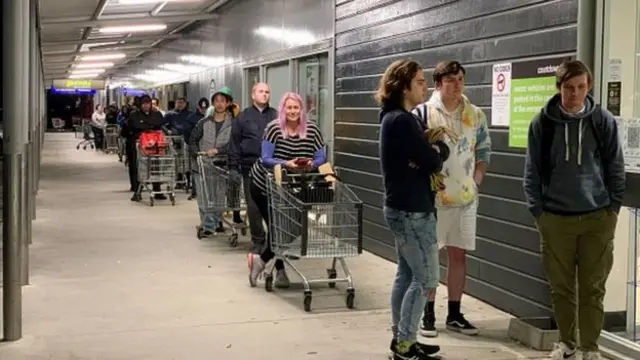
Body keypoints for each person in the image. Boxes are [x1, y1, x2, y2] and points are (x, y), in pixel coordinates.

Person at [523, 60, 625, 360]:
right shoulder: (542, 123)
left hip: (597, 218)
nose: (575, 94)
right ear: (559, 88)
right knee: (561, 287)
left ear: (588, 86)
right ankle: (566, 343)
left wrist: (613, 211)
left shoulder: (602, 120)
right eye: (569, 88)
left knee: (593, 288)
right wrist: (538, 213)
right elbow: (532, 172)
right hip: (555, 218)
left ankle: (589, 348)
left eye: (581, 87)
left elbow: (615, 167)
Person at [412, 61, 491, 337]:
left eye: (460, 79)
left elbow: (484, 150)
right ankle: (427, 312)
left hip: (466, 199)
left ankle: (455, 313)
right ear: (438, 84)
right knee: (429, 257)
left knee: (458, 256)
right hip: (432, 200)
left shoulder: (476, 115)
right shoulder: (422, 114)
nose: (457, 85)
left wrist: (476, 182)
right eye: (450, 80)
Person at [378, 60, 447, 360]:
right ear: (404, 87)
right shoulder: (402, 121)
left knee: (406, 276)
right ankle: (405, 343)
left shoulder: (395, 118)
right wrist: (439, 149)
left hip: (402, 207)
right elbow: (432, 160)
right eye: (419, 81)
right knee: (426, 279)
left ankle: (402, 337)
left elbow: (422, 157)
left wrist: (427, 152)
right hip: (412, 211)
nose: (425, 87)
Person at [246, 92, 326, 289]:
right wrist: (286, 163)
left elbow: (321, 157)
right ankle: (279, 271)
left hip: (292, 185)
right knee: (277, 227)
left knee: (290, 228)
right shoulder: (274, 129)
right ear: (283, 110)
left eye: (296, 108)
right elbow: (265, 158)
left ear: (301, 109)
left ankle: (262, 261)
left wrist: (310, 165)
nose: (292, 111)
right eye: (289, 108)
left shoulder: (312, 130)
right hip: (264, 184)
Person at [229, 83, 278, 256]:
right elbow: (234, 143)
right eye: (261, 91)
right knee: (254, 206)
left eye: (267, 92)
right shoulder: (242, 117)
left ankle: (276, 239)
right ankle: (258, 240)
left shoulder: (276, 116)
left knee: (275, 206)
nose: (264, 95)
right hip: (250, 167)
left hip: (273, 168)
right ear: (253, 94)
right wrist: (234, 167)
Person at [189, 87, 235, 236]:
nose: (220, 104)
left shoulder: (234, 124)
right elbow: (193, 140)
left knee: (218, 197)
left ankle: (215, 222)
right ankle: (208, 226)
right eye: (216, 101)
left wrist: (218, 151)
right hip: (202, 165)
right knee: (204, 198)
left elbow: (234, 144)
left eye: (223, 101)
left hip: (221, 166)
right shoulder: (204, 122)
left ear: (228, 103)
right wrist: (197, 154)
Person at [124, 95, 167, 201]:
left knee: (155, 167)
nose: (146, 106)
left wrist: (145, 126)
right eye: (144, 104)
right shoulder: (134, 115)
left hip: (154, 145)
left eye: (148, 103)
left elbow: (159, 123)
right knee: (138, 167)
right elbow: (135, 125)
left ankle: (157, 190)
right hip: (139, 145)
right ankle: (137, 190)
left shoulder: (156, 114)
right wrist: (149, 127)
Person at [163, 97, 195, 189]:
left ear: (185, 104)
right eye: (178, 102)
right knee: (177, 161)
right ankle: (179, 180)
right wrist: (168, 132)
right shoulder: (170, 114)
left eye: (182, 102)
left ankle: (188, 181)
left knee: (187, 161)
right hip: (175, 141)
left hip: (187, 141)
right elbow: (163, 125)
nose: (180, 104)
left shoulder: (190, 115)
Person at [186, 97, 211, 200]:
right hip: (196, 149)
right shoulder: (192, 118)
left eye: (205, 108)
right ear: (198, 107)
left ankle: (206, 190)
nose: (203, 110)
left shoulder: (211, 119)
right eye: (202, 108)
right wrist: (193, 148)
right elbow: (188, 133)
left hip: (207, 150)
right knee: (196, 170)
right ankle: (194, 191)